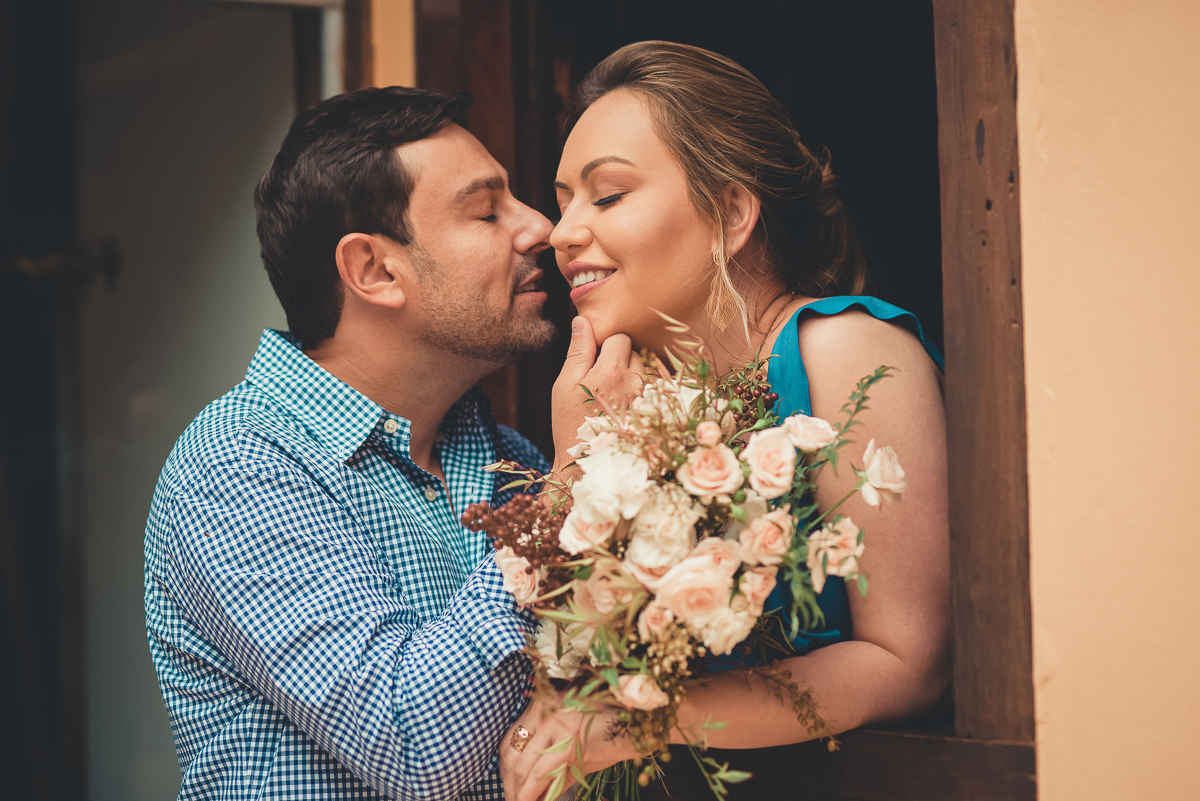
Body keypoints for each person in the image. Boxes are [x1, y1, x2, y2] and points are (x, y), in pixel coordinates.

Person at [143, 86, 635, 801]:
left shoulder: (514, 460)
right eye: (487, 209)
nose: (542, 229)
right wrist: (575, 485)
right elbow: (412, 747)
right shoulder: (236, 465)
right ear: (374, 270)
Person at [500, 41, 951, 800]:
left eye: (605, 195)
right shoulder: (637, 395)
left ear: (733, 212)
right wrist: (579, 454)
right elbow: (584, 655)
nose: (561, 230)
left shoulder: (844, 349)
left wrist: (634, 722)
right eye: (565, 197)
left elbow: (909, 661)